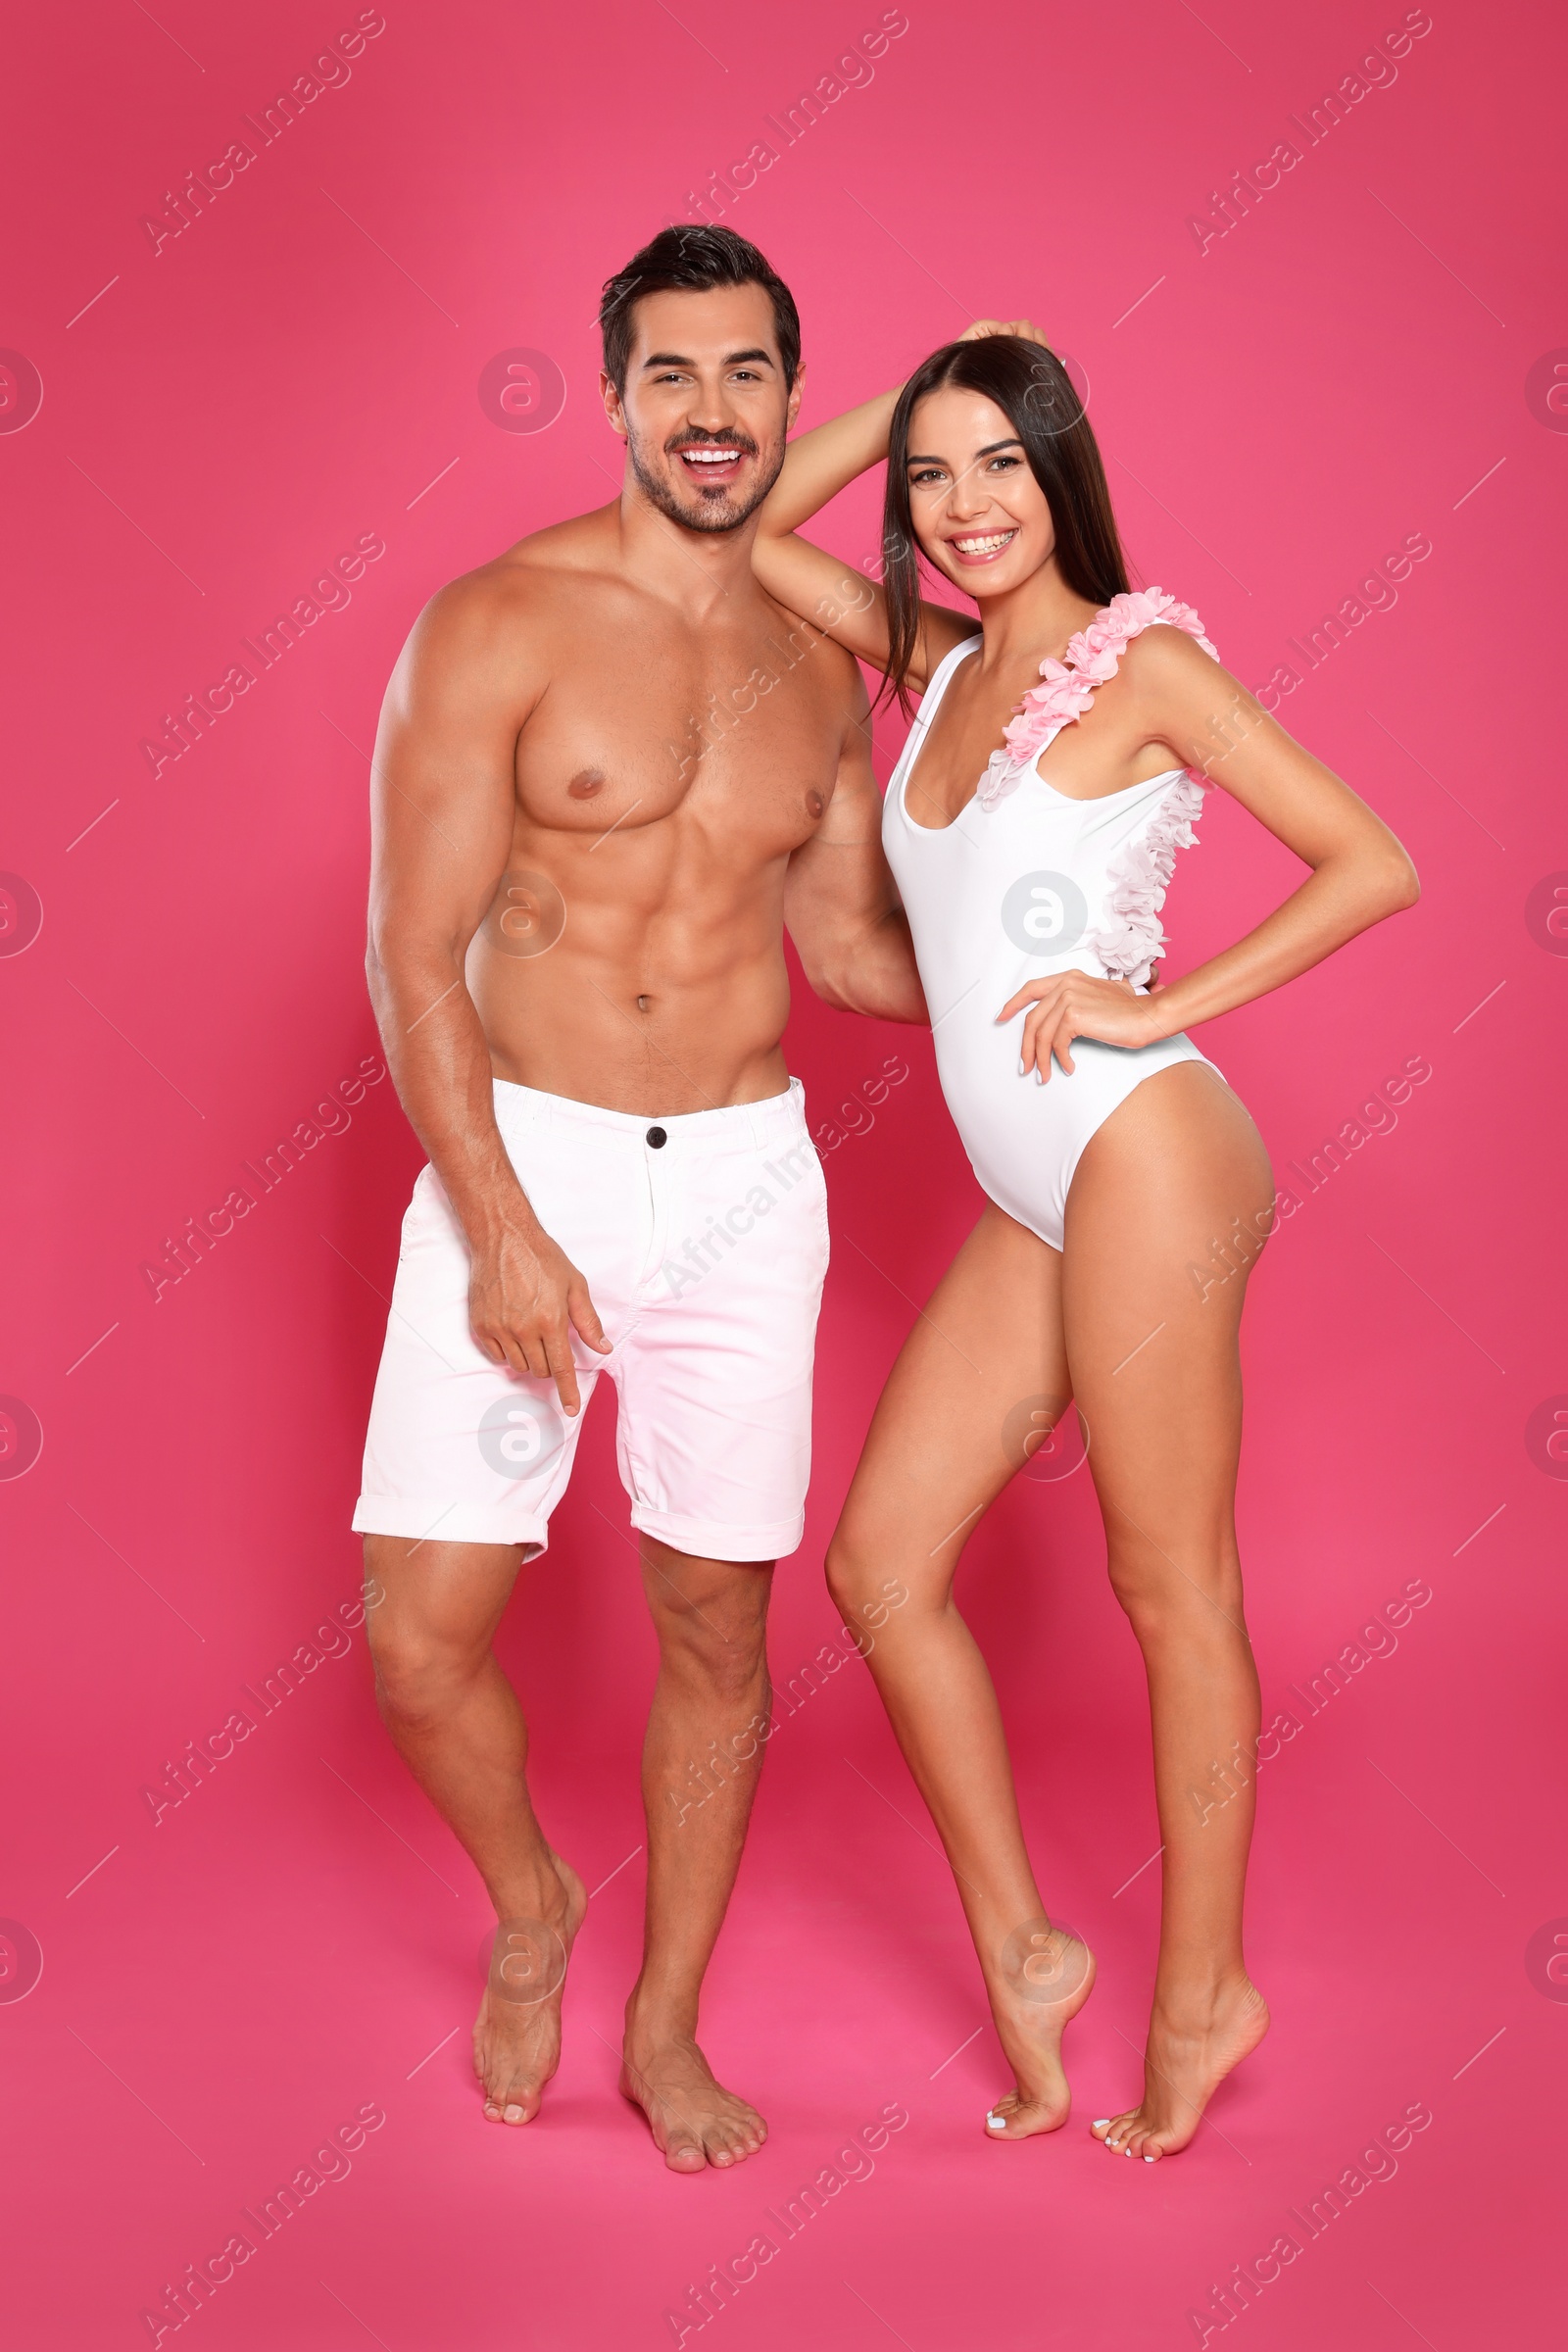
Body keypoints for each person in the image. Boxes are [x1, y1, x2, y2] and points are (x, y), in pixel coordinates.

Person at [752, 323, 1418, 2160]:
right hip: (1029, 1186)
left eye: (1000, 465)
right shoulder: (943, 662)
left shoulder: (1151, 667)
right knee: (881, 1567)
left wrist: (1148, 1004)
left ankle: (1203, 1993)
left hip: (1147, 1149)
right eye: (933, 476)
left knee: (1164, 1584)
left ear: (1063, 473)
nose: (965, 510)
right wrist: (899, 397)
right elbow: (736, 544)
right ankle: (1029, 1951)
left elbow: (1373, 860)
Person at [351, 224, 924, 2172]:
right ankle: (532, 1904)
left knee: (713, 1629)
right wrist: (502, 1224)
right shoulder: (492, 622)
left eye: (746, 372)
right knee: (420, 1634)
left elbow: (848, 950)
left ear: (786, 394)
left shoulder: (820, 666)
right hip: (528, 1158)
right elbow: (411, 952)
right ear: (611, 395)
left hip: (744, 1182)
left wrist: (1050, 964)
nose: (710, 412)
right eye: (670, 374)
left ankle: (664, 2020)